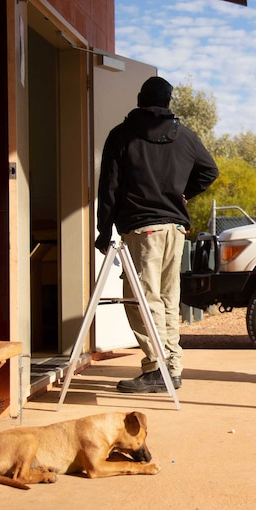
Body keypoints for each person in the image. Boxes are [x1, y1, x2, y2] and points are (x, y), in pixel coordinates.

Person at [96, 76, 219, 393]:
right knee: (165, 299)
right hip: (175, 229)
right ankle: (172, 367)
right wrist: (182, 194)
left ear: (140, 99)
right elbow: (209, 171)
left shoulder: (122, 136)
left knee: (141, 300)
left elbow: (108, 188)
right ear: (168, 102)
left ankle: (156, 368)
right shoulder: (185, 137)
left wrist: (103, 228)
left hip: (142, 229)